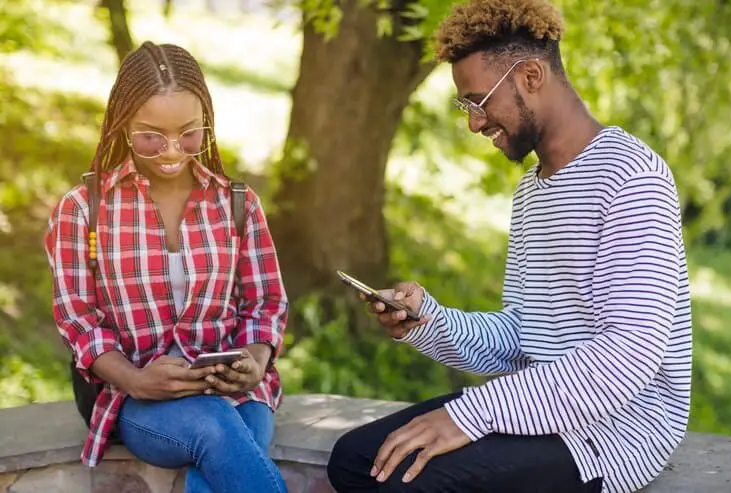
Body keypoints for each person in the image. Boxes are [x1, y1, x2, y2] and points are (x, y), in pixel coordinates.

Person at [326, 0, 692, 492]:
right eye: (466, 106)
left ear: (531, 76)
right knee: (354, 459)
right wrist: (427, 321)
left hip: (615, 433)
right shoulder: (532, 192)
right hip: (544, 407)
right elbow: (523, 337)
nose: (474, 122)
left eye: (479, 100)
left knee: (402, 482)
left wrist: (470, 416)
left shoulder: (632, 179)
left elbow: (627, 357)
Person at [44, 41, 289, 493]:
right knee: (216, 428)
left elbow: (266, 302)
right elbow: (78, 319)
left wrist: (255, 362)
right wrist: (137, 379)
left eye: (190, 133)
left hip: (237, 393)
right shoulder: (84, 209)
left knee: (218, 457)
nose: (172, 150)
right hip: (140, 400)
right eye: (150, 135)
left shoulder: (238, 204)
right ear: (123, 126)